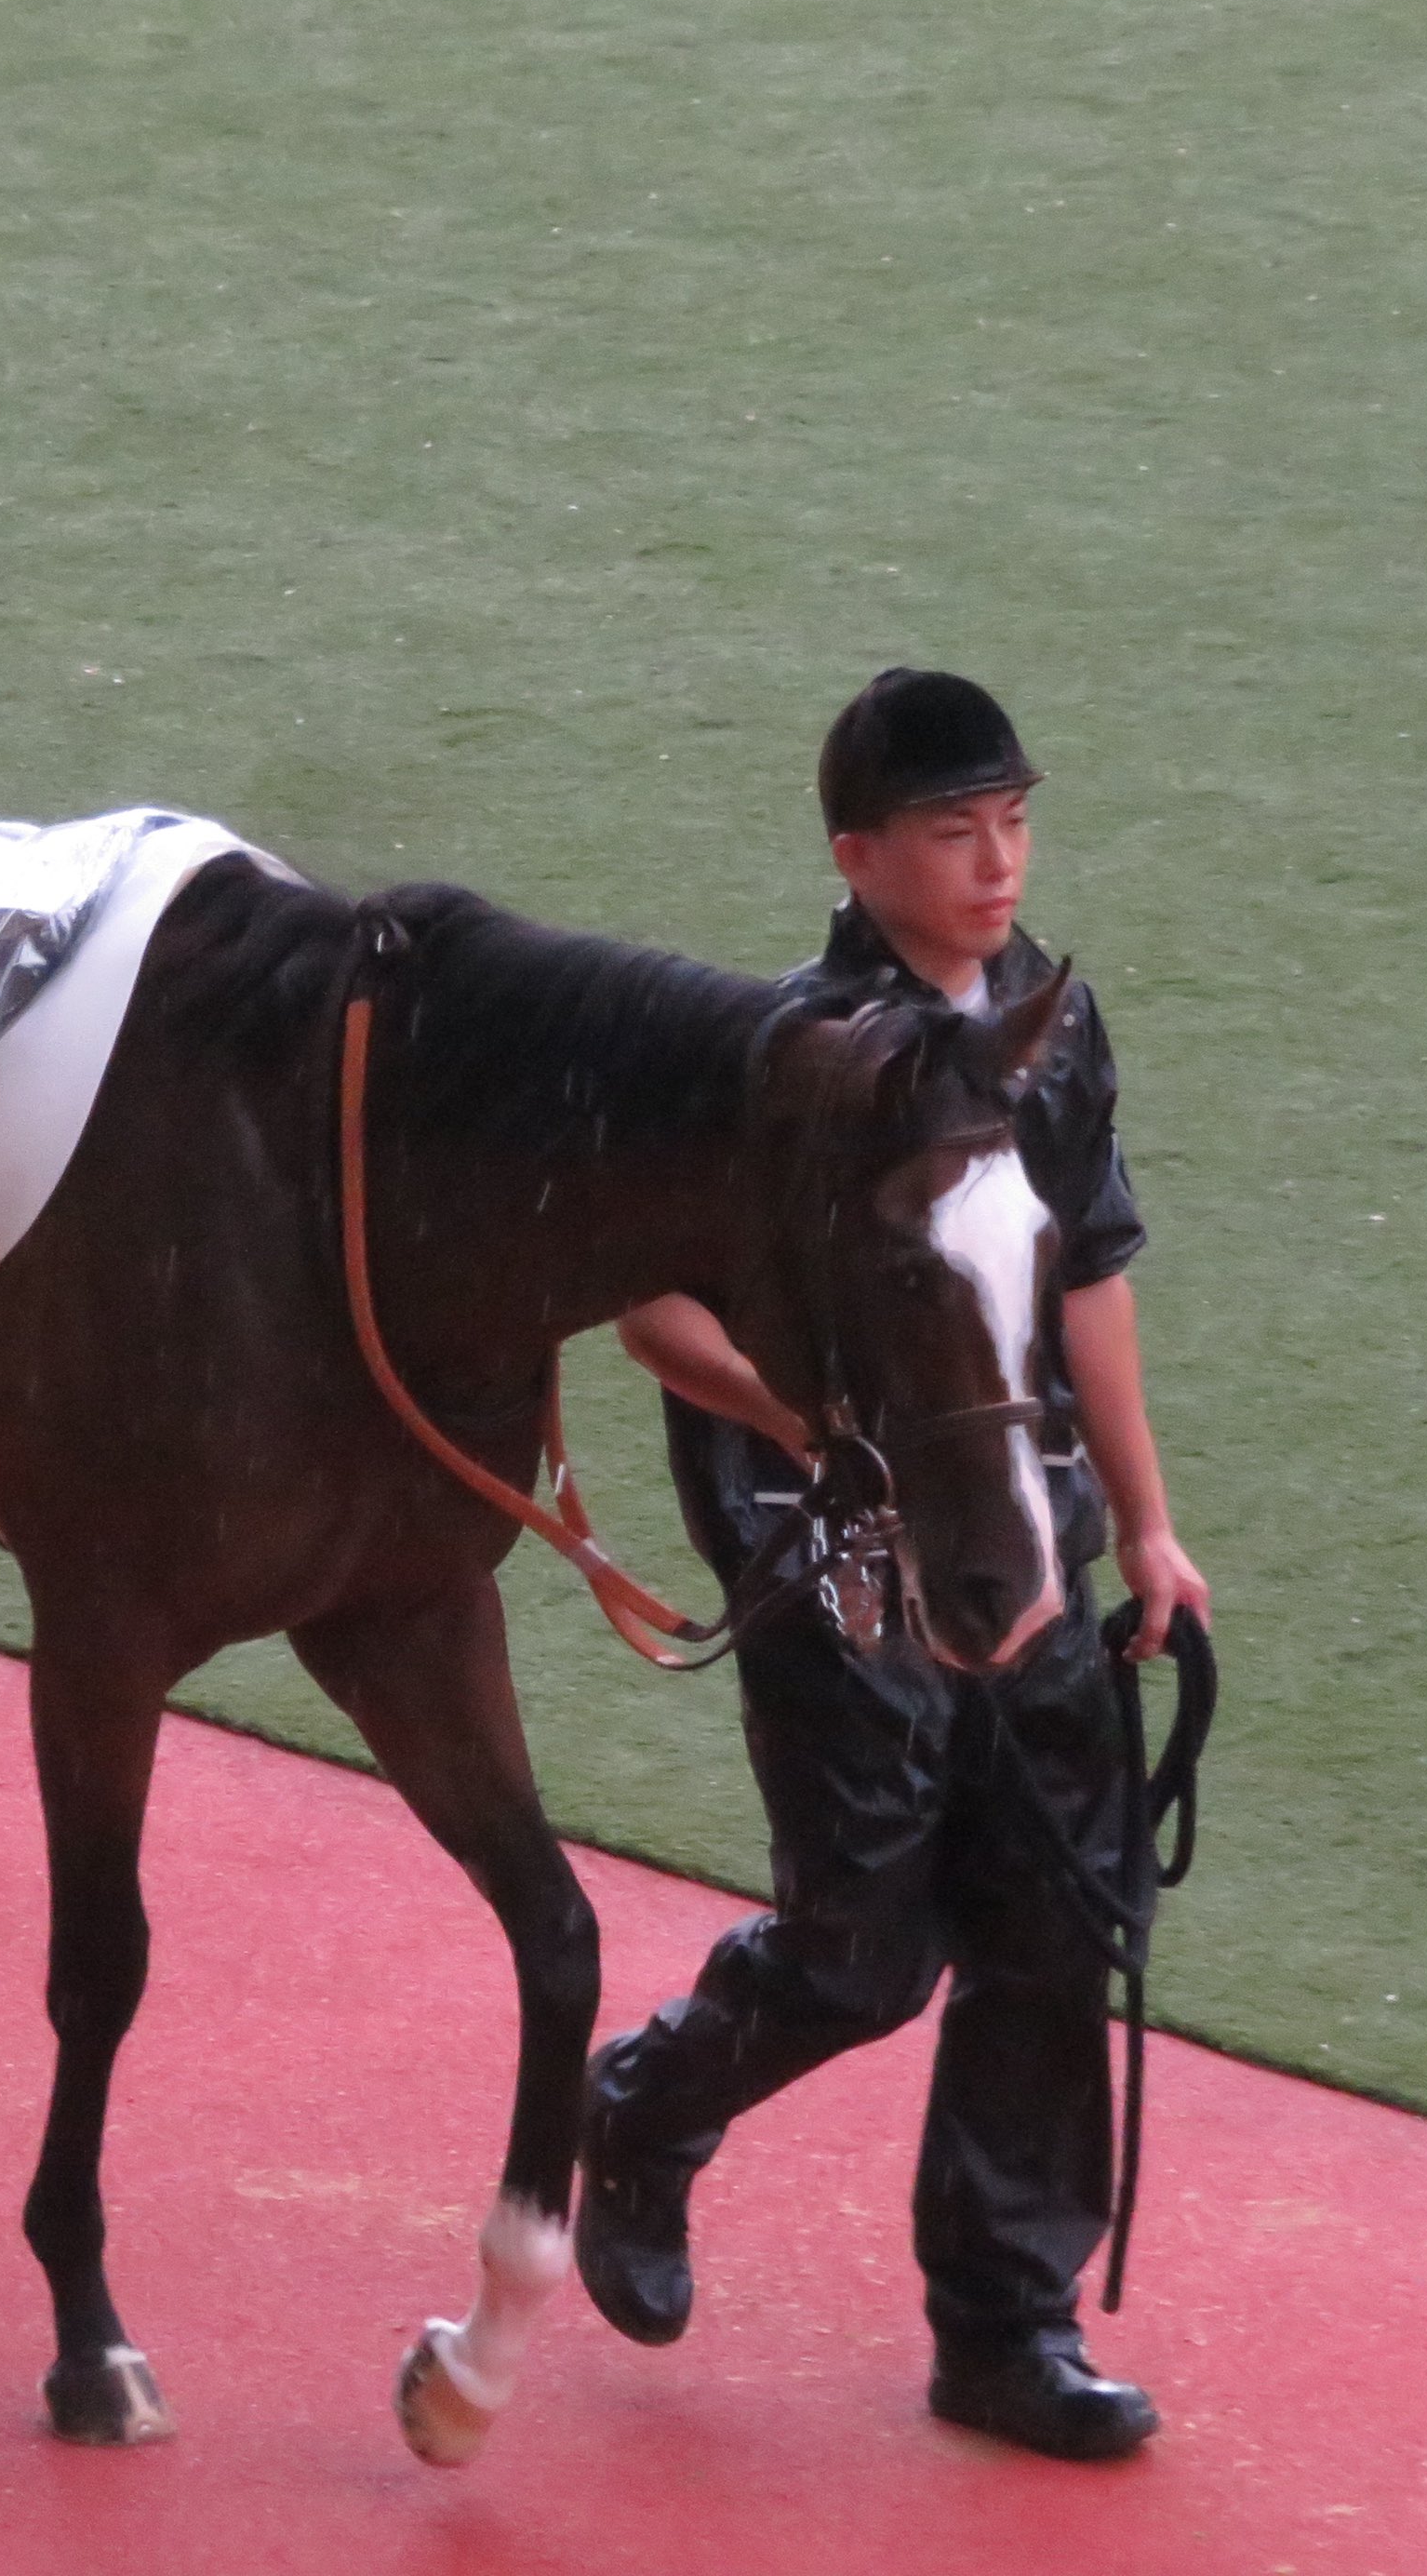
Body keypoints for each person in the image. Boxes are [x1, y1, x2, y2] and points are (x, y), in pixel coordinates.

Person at [580, 667, 1213, 2461]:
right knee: (862, 1950)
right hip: (836, 1548)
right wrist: (808, 1425)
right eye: (954, 833)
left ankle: (1008, 2330)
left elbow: (1088, 1277)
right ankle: (646, 2104)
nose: (998, 865)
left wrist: (1148, 1522)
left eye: (1014, 825)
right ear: (858, 859)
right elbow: (650, 1311)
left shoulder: (1049, 1027)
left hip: (1023, 1532)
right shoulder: (788, 1063)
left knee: (1057, 1913)